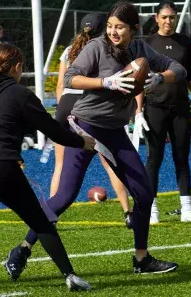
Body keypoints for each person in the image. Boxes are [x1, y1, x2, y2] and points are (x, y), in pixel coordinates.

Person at [6, 1, 185, 278]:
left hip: (113, 131)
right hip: (85, 128)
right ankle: (23, 248)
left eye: (120, 28)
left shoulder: (139, 49)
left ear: (134, 29)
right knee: (64, 196)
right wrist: (106, 82)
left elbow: (179, 69)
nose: (113, 32)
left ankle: (141, 258)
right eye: (111, 26)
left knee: (145, 193)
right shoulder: (97, 47)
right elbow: (70, 78)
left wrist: (159, 78)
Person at [0, 44, 96, 291]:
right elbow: (53, 131)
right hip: (2, 170)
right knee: (40, 223)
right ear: (18, 68)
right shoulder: (21, 94)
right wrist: (82, 141)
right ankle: (70, 276)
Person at [52, 13, 133, 228]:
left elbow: (61, 85)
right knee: (110, 163)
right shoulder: (104, 50)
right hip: (92, 109)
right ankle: (128, 211)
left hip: (67, 107)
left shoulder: (70, 51)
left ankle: (51, 218)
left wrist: (64, 111)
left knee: (60, 165)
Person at [134, 1, 191, 224]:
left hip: (181, 109)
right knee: (154, 159)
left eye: (172, 18)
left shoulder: (185, 43)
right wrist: (137, 112)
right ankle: (151, 209)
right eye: (164, 17)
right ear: (156, 18)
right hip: (155, 107)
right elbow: (138, 80)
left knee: (182, 157)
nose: (168, 21)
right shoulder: (147, 43)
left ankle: (186, 208)